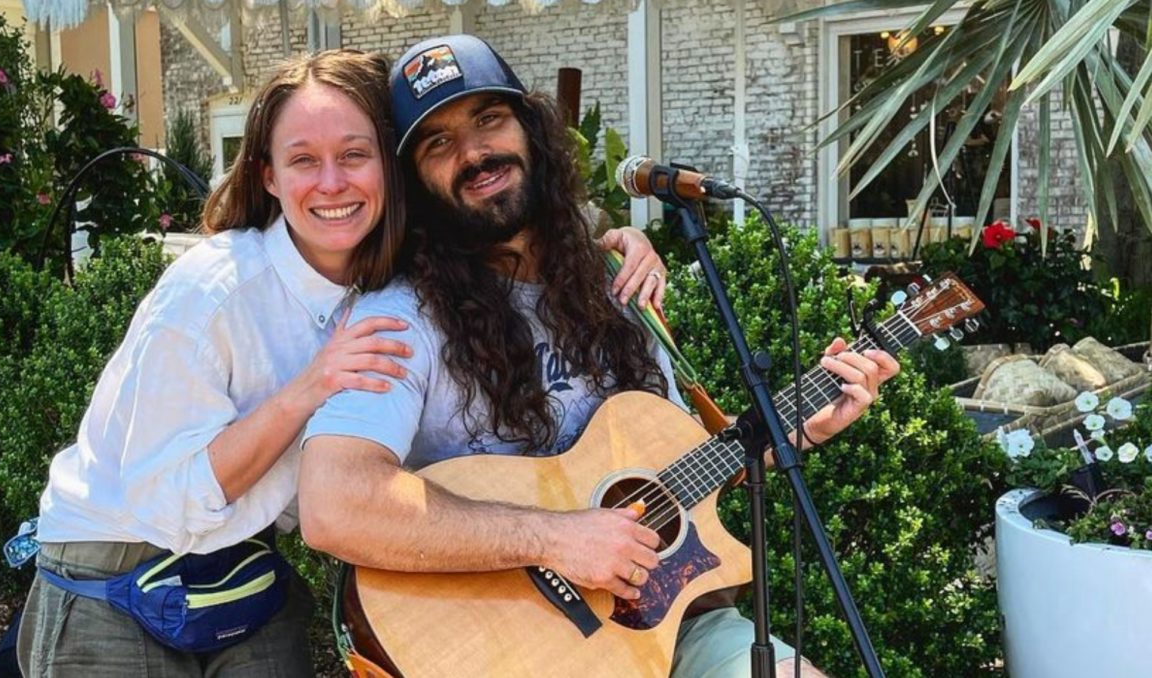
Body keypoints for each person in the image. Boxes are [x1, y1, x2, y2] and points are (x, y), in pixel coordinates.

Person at [15, 47, 674, 677]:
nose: (332, 184)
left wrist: (614, 245)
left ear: (392, 170)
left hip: (239, 564)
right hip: (113, 573)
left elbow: (516, 231)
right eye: (304, 160)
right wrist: (309, 387)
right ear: (268, 175)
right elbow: (165, 500)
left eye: (355, 155)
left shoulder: (382, 277)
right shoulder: (212, 293)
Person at [299, 35, 900, 678]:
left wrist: (793, 430)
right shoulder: (398, 320)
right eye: (438, 144)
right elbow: (335, 506)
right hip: (511, 652)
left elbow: (674, 469)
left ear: (531, 131)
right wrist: (556, 537)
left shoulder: (614, 281)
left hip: (675, 630)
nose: (474, 153)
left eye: (488, 120)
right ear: (413, 182)